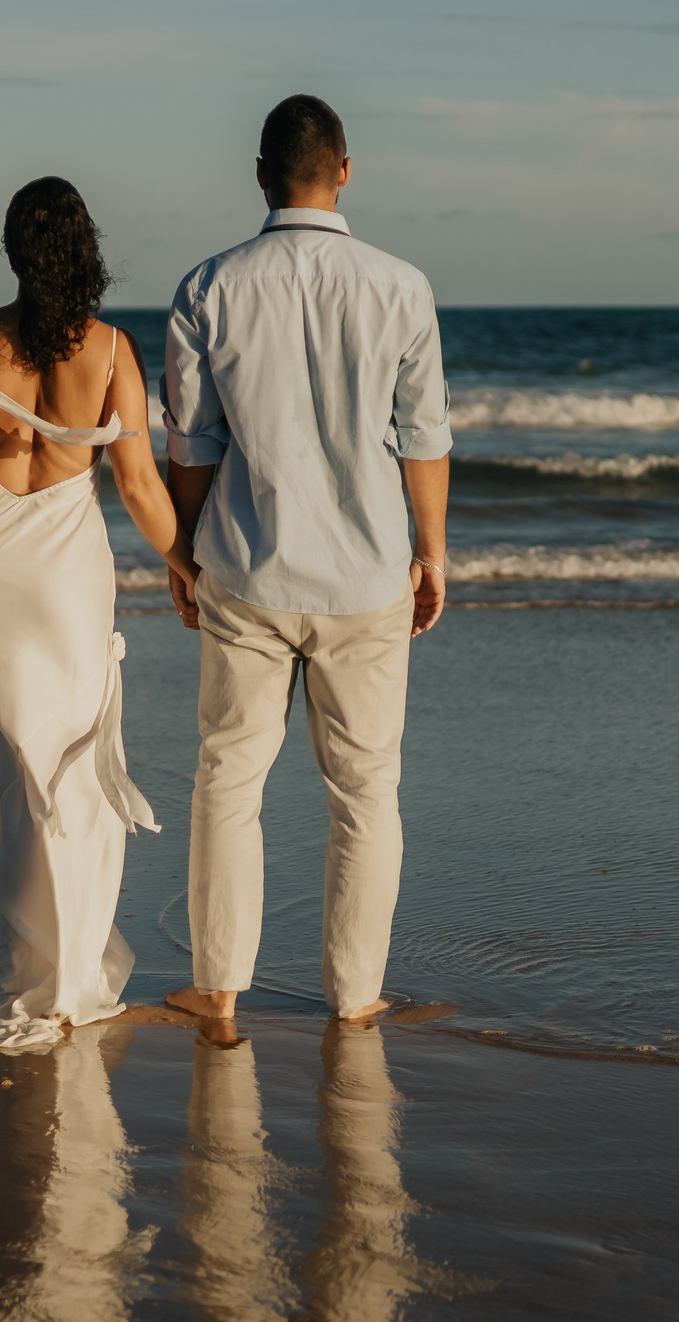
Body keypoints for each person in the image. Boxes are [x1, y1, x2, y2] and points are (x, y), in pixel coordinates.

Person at [162, 95, 451, 1029]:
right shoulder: (401, 285)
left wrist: (183, 547)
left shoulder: (209, 286)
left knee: (228, 779)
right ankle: (356, 998)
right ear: (346, 169)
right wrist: (432, 551)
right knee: (367, 791)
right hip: (368, 574)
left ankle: (218, 988)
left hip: (247, 568)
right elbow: (423, 436)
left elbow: (194, 442)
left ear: (260, 173)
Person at [0, 177, 187, 1052]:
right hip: (61, 580)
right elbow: (139, 486)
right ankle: (52, 959)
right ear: (86, 248)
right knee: (60, 771)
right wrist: (186, 560)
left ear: (13, 252)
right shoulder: (108, 352)